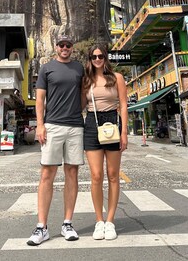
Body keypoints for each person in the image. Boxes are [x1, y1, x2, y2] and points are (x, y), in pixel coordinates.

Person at [27, 34, 84, 246]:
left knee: (72, 172)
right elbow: (40, 99)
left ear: (72, 47)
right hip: (52, 125)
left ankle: (67, 223)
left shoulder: (79, 68)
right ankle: (41, 227)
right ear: (56, 47)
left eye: (68, 45)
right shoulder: (46, 68)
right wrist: (40, 125)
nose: (65, 47)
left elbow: (84, 93)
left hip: (75, 125)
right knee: (47, 173)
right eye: (61, 45)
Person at [82, 43, 128, 241]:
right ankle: (99, 221)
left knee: (113, 175)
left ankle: (110, 222)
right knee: (96, 175)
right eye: (94, 57)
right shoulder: (86, 81)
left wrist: (124, 131)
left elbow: (124, 105)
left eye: (101, 56)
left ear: (106, 58)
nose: (98, 59)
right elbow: (81, 105)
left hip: (111, 122)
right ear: (90, 59)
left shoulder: (116, 78)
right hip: (92, 122)